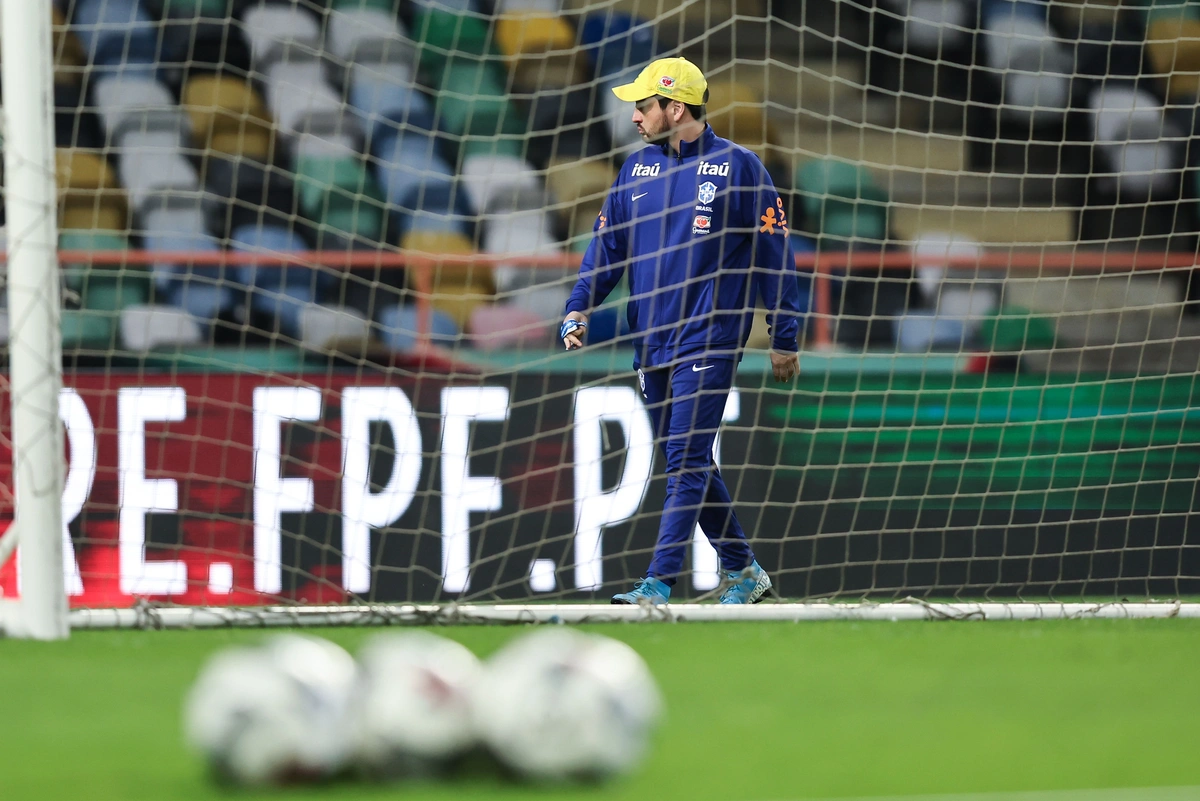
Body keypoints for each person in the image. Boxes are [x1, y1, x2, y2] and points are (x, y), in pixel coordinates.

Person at [560, 57, 802, 605]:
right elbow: (606, 249)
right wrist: (578, 309)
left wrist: (783, 335)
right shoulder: (634, 171)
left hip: (711, 338)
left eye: (643, 106)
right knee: (687, 457)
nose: (634, 117)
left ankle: (658, 583)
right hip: (650, 341)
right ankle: (744, 570)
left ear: (675, 108)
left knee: (686, 461)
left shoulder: (740, 167)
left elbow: (774, 255)